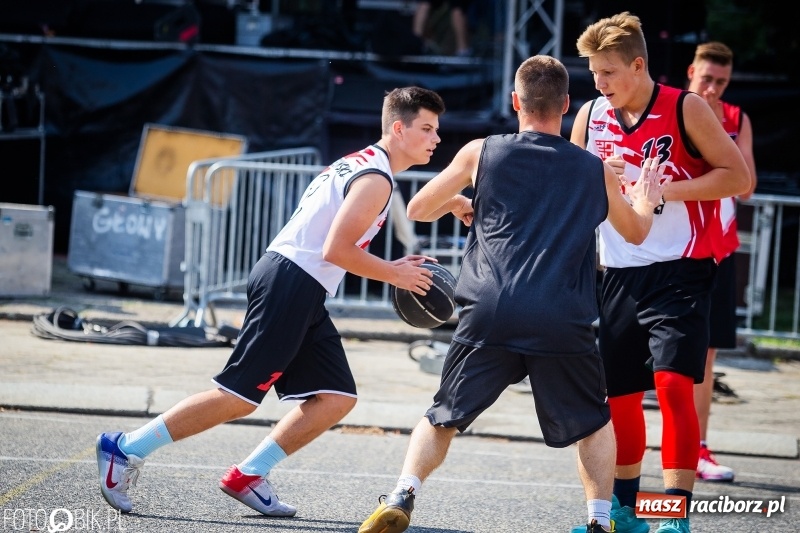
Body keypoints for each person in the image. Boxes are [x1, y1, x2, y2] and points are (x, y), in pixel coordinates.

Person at [94, 86, 447, 517]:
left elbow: (330, 244)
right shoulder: (375, 179)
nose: (436, 138)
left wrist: (392, 265)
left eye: (436, 130)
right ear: (398, 128)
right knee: (238, 397)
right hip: (291, 282)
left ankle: (249, 474)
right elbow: (335, 250)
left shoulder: (361, 166)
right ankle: (125, 448)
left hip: (301, 285)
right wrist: (395, 273)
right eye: (427, 128)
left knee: (336, 396)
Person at [359, 54, 670, 533]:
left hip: (491, 308)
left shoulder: (481, 152)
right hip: (561, 314)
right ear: (566, 105)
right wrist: (645, 200)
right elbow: (635, 233)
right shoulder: (593, 169)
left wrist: (461, 201)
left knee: (443, 416)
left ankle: (403, 493)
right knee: (593, 424)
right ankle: (597, 521)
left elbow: (420, 208)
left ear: (515, 102)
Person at [569, 12, 750, 533]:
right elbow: (579, 188)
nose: (599, 83)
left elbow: (736, 176)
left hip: (680, 269)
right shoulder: (591, 116)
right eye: (593, 73)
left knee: (672, 386)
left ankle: (674, 516)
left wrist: (663, 191)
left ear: (638, 64)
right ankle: (626, 511)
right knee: (620, 395)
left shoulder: (684, 106)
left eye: (607, 72)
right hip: (617, 272)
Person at [687, 41, 758, 482]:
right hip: (673, 248)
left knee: (706, 356)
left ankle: (697, 449)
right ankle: (618, 448)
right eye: (706, 78)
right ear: (690, 72)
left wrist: (716, 127)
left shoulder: (736, 118)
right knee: (640, 352)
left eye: (722, 81)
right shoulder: (673, 108)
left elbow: (745, 185)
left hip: (718, 249)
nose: (713, 88)